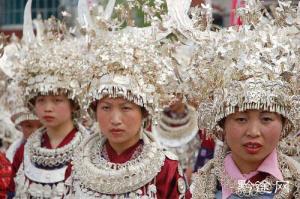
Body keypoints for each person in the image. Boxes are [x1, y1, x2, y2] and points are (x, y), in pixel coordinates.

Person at [169, 1, 300, 198]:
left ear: (284, 123)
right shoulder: (198, 189)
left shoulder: (295, 184)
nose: (253, 132)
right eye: (241, 119)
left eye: (266, 119)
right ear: (222, 124)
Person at [64, 1, 188, 197]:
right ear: (94, 110)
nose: (115, 119)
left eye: (126, 108)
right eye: (106, 107)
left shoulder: (166, 167)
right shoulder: (78, 163)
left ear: (144, 111)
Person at [7, 0, 88, 198]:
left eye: (57, 100)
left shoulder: (90, 150)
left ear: (73, 103)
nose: (47, 108)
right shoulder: (24, 150)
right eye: (41, 100)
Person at [5, 81, 42, 162]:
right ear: (21, 126)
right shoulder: (14, 152)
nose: (35, 132)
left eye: (41, 126)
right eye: (29, 126)